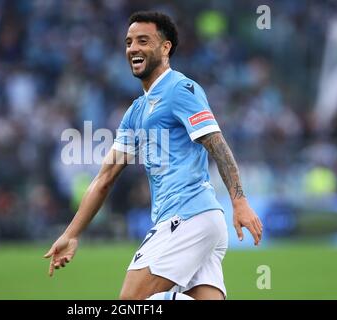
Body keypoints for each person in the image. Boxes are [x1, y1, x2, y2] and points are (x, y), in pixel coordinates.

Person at [44, 11, 263, 300]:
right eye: (129, 42)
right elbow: (105, 177)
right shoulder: (136, 111)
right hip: (196, 222)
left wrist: (240, 201)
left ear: (165, 47)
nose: (133, 48)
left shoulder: (180, 89)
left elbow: (217, 144)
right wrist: (72, 233)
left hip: (186, 217)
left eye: (143, 40)